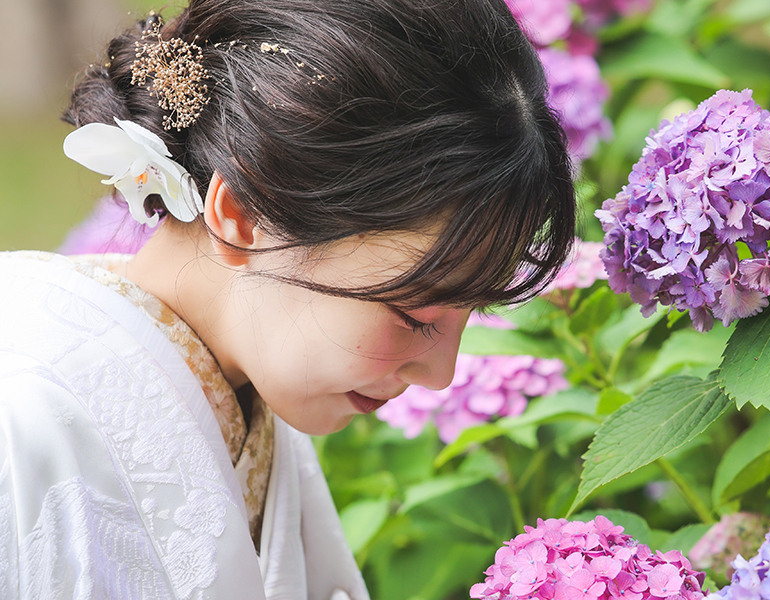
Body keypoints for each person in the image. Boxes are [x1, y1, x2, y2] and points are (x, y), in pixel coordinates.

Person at [0, 0, 576, 597]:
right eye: (416, 314)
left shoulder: (248, 389)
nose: (441, 375)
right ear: (243, 215)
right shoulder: (22, 418)